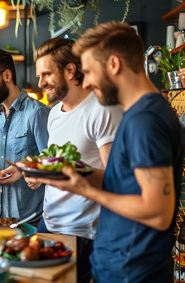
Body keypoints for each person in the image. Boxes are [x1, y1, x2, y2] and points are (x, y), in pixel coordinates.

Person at [36, 22, 183, 282]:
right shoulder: (138, 114)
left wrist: (88, 191)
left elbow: (158, 213)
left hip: (132, 270)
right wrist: (76, 174)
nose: (88, 82)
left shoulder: (145, 120)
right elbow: (124, 183)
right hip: (120, 264)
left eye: (90, 71)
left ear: (114, 65)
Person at [21, 38, 123, 283]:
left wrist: (73, 171)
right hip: (49, 223)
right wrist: (41, 174)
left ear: (70, 69)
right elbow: (60, 163)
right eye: (38, 75)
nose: (40, 83)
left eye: (46, 74)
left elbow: (116, 179)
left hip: (83, 231)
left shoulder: (103, 109)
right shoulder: (55, 113)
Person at [0, 48, 50, 221]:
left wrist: (24, 168)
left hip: (29, 220)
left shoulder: (37, 113)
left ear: (7, 76)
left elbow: (53, 162)